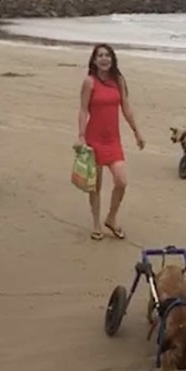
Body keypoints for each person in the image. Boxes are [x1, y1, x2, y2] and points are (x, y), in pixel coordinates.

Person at [77, 43, 145, 241]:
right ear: (94, 60)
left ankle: (111, 218)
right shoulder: (89, 82)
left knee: (121, 181)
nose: (104, 59)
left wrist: (137, 132)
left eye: (107, 55)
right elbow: (82, 110)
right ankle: (96, 223)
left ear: (113, 59)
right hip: (93, 140)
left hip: (113, 141)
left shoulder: (118, 81)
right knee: (95, 186)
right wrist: (81, 135)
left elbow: (126, 108)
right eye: (100, 56)